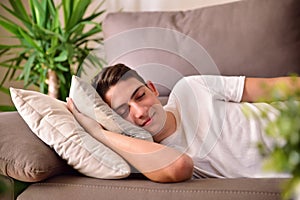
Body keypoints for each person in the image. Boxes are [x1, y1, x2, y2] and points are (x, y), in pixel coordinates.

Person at [67, 63, 299, 183]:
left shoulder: (190, 89)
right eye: (122, 111)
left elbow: (274, 89)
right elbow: (179, 168)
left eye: (140, 96)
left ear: (153, 89)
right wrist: (96, 131)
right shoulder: (155, 156)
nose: (139, 111)